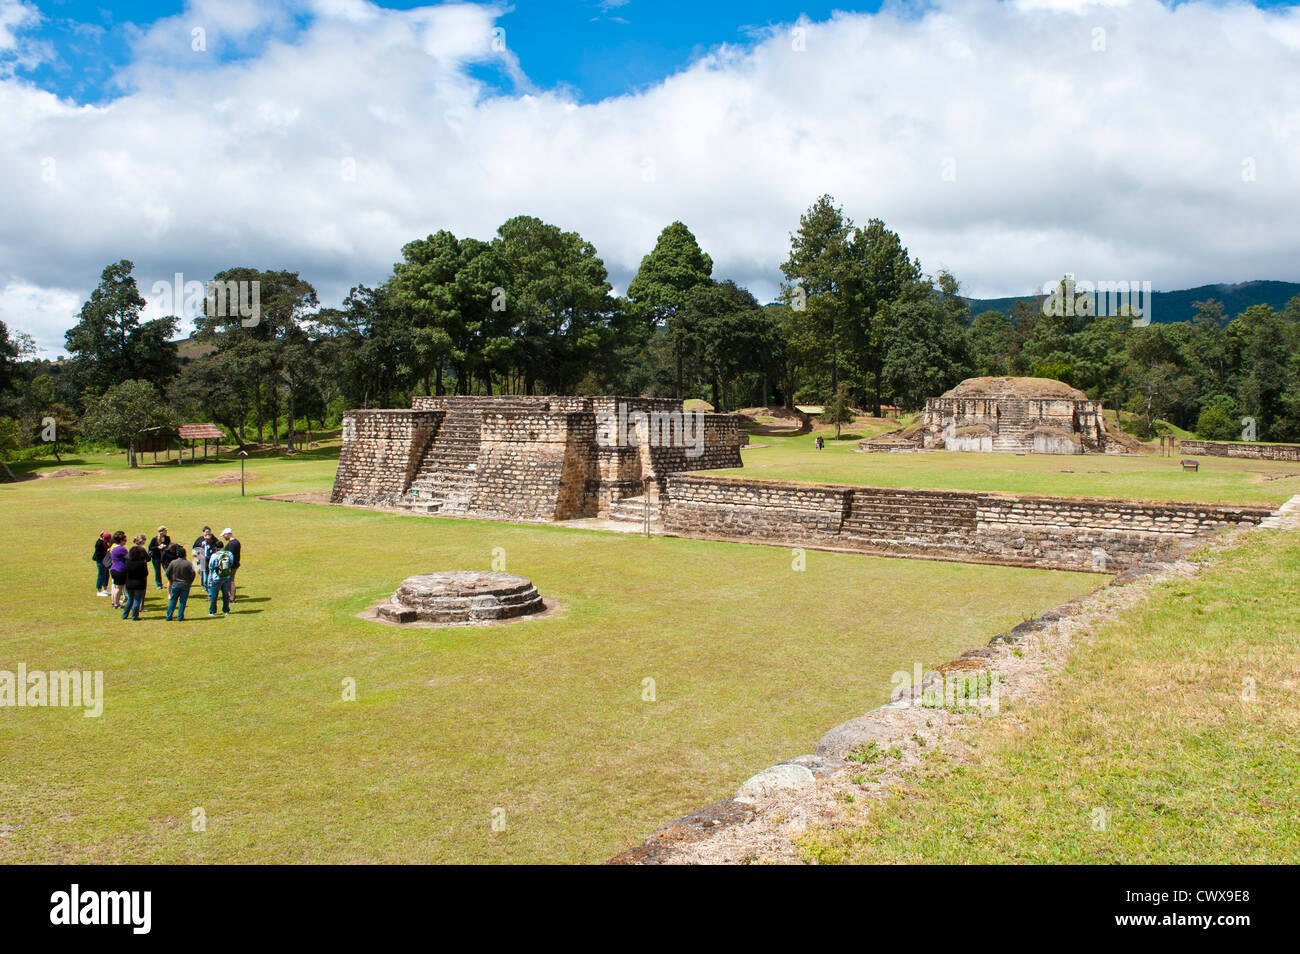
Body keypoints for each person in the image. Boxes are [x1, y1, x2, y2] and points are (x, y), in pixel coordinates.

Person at [165, 544, 196, 621]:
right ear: (185, 554)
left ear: (177, 554)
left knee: (173, 600)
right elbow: (193, 574)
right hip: (185, 584)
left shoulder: (173, 562)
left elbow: (168, 573)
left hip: (175, 584)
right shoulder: (188, 563)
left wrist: (171, 580)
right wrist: (190, 582)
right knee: (182, 602)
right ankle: (180, 617)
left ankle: (169, 617)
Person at [122, 539, 150, 621]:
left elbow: (125, 572)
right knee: (137, 600)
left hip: (129, 583)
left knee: (130, 599)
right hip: (139, 583)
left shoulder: (127, 562)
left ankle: (125, 615)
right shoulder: (142, 563)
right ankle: (135, 616)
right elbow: (146, 573)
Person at [207, 545, 235, 617]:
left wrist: (209, 579)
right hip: (226, 576)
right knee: (225, 594)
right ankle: (226, 610)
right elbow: (231, 563)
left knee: (214, 595)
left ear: (216, 548)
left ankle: (212, 611)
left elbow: (210, 566)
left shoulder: (215, 555)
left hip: (216, 578)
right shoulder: (229, 554)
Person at [107, 531, 129, 609]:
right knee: (119, 588)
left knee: (115, 587)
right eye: (124, 540)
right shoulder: (121, 549)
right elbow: (129, 557)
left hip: (114, 569)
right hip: (120, 570)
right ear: (121, 541)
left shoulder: (114, 547)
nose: (125, 542)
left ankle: (114, 602)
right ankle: (116, 604)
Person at [148, 526, 172, 591]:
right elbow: (150, 547)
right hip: (156, 557)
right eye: (165, 531)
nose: (166, 532)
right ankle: (159, 585)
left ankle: (171, 582)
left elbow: (169, 546)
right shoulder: (154, 539)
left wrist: (165, 547)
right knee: (157, 571)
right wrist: (158, 547)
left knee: (167, 570)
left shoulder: (167, 538)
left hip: (164, 557)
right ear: (162, 532)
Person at [220, 528, 241, 603]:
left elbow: (229, 555)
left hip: (232, 565)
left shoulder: (232, 544)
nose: (224, 537)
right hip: (234, 564)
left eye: (224, 535)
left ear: (228, 534)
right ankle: (231, 596)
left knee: (231, 581)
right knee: (230, 580)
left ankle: (232, 597)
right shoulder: (235, 542)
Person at [93, 531, 112, 597]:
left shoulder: (104, 542)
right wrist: (106, 551)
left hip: (105, 561)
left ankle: (105, 589)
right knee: (101, 575)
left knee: (106, 574)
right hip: (100, 561)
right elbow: (98, 553)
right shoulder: (99, 543)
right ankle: (99, 590)